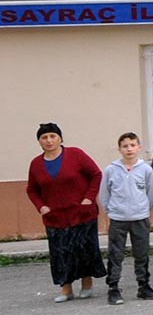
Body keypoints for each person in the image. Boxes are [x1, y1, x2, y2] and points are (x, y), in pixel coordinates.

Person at [28, 122, 105, 302]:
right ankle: (66, 289)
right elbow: (32, 189)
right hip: (55, 217)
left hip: (81, 213)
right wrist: (41, 207)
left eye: (52, 136)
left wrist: (88, 199)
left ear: (60, 138)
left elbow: (96, 174)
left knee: (84, 249)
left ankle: (87, 285)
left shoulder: (76, 154)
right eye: (44, 137)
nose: (49, 141)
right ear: (39, 141)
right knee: (60, 253)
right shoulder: (36, 164)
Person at [101, 131, 153, 302]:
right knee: (115, 254)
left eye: (132, 145)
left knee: (141, 253)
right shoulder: (111, 169)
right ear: (119, 149)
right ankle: (113, 287)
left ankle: (143, 285)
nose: (129, 149)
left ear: (139, 147)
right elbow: (105, 193)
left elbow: (150, 191)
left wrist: (144, 209)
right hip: (118, 218)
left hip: (140, 217)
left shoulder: (146, 169)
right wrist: (110, 211)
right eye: (125, 146)